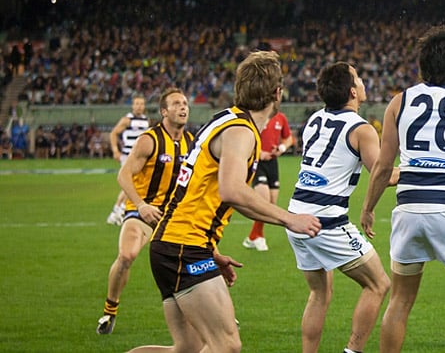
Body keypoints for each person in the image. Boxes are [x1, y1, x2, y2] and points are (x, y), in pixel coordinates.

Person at [128, 51, 320, 353]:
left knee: (186, 349)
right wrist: (288, 218)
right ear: (277, 93)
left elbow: (202, 192)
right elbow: (231, 191)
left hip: (175, 244)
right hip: (184, 248)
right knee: (227, 346)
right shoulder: (241, 132)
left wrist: (212, 251)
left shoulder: (227, 121)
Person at [361, 26, 445, 353]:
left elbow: (382, 166)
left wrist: (368, 207)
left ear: (421, 65)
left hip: (408, 209)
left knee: (400, 300)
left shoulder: (400, 102)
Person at [286, 62, 392, 353]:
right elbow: (383, 174)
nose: (363, 82)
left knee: (319, 293)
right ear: (352, 91)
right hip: (326, 221)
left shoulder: (315, 118)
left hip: (296, 216)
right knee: (378, 284)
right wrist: (425, 167)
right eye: (359, 78)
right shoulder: (361, 129)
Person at [97, 88, 194, 335]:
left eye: (184, 103)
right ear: (164, 111)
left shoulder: (191, 142)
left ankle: (213, 313)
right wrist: (141, 205)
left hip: (173, 216)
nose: (183, 107)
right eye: (176, 104)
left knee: (198, 261)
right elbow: (123, 175)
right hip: (143, 211)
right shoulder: (149, 140)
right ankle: (110, 311)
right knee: (127, 256)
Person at [243, 110, 294, 252]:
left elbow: (288, 138)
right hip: (257, 162)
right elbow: (245, 139)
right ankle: (259, 237)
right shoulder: (256, 116)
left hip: (272, 162)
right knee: (263, 200)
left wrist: (281, 148)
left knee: (271, 203)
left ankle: (252, 237)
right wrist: (258, 153)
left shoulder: (281, 117)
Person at [107, 95, 150, 226]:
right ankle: (118, 210)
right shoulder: (127, 120)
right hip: (128, 156)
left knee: (133, 183)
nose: (139, 106)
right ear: (132, 105)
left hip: (140, 157)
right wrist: (115, 150)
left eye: (141, 104)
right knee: (130, 182)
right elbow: (113, 133)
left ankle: (117, 211)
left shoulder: (146, 120)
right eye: (137, 104)